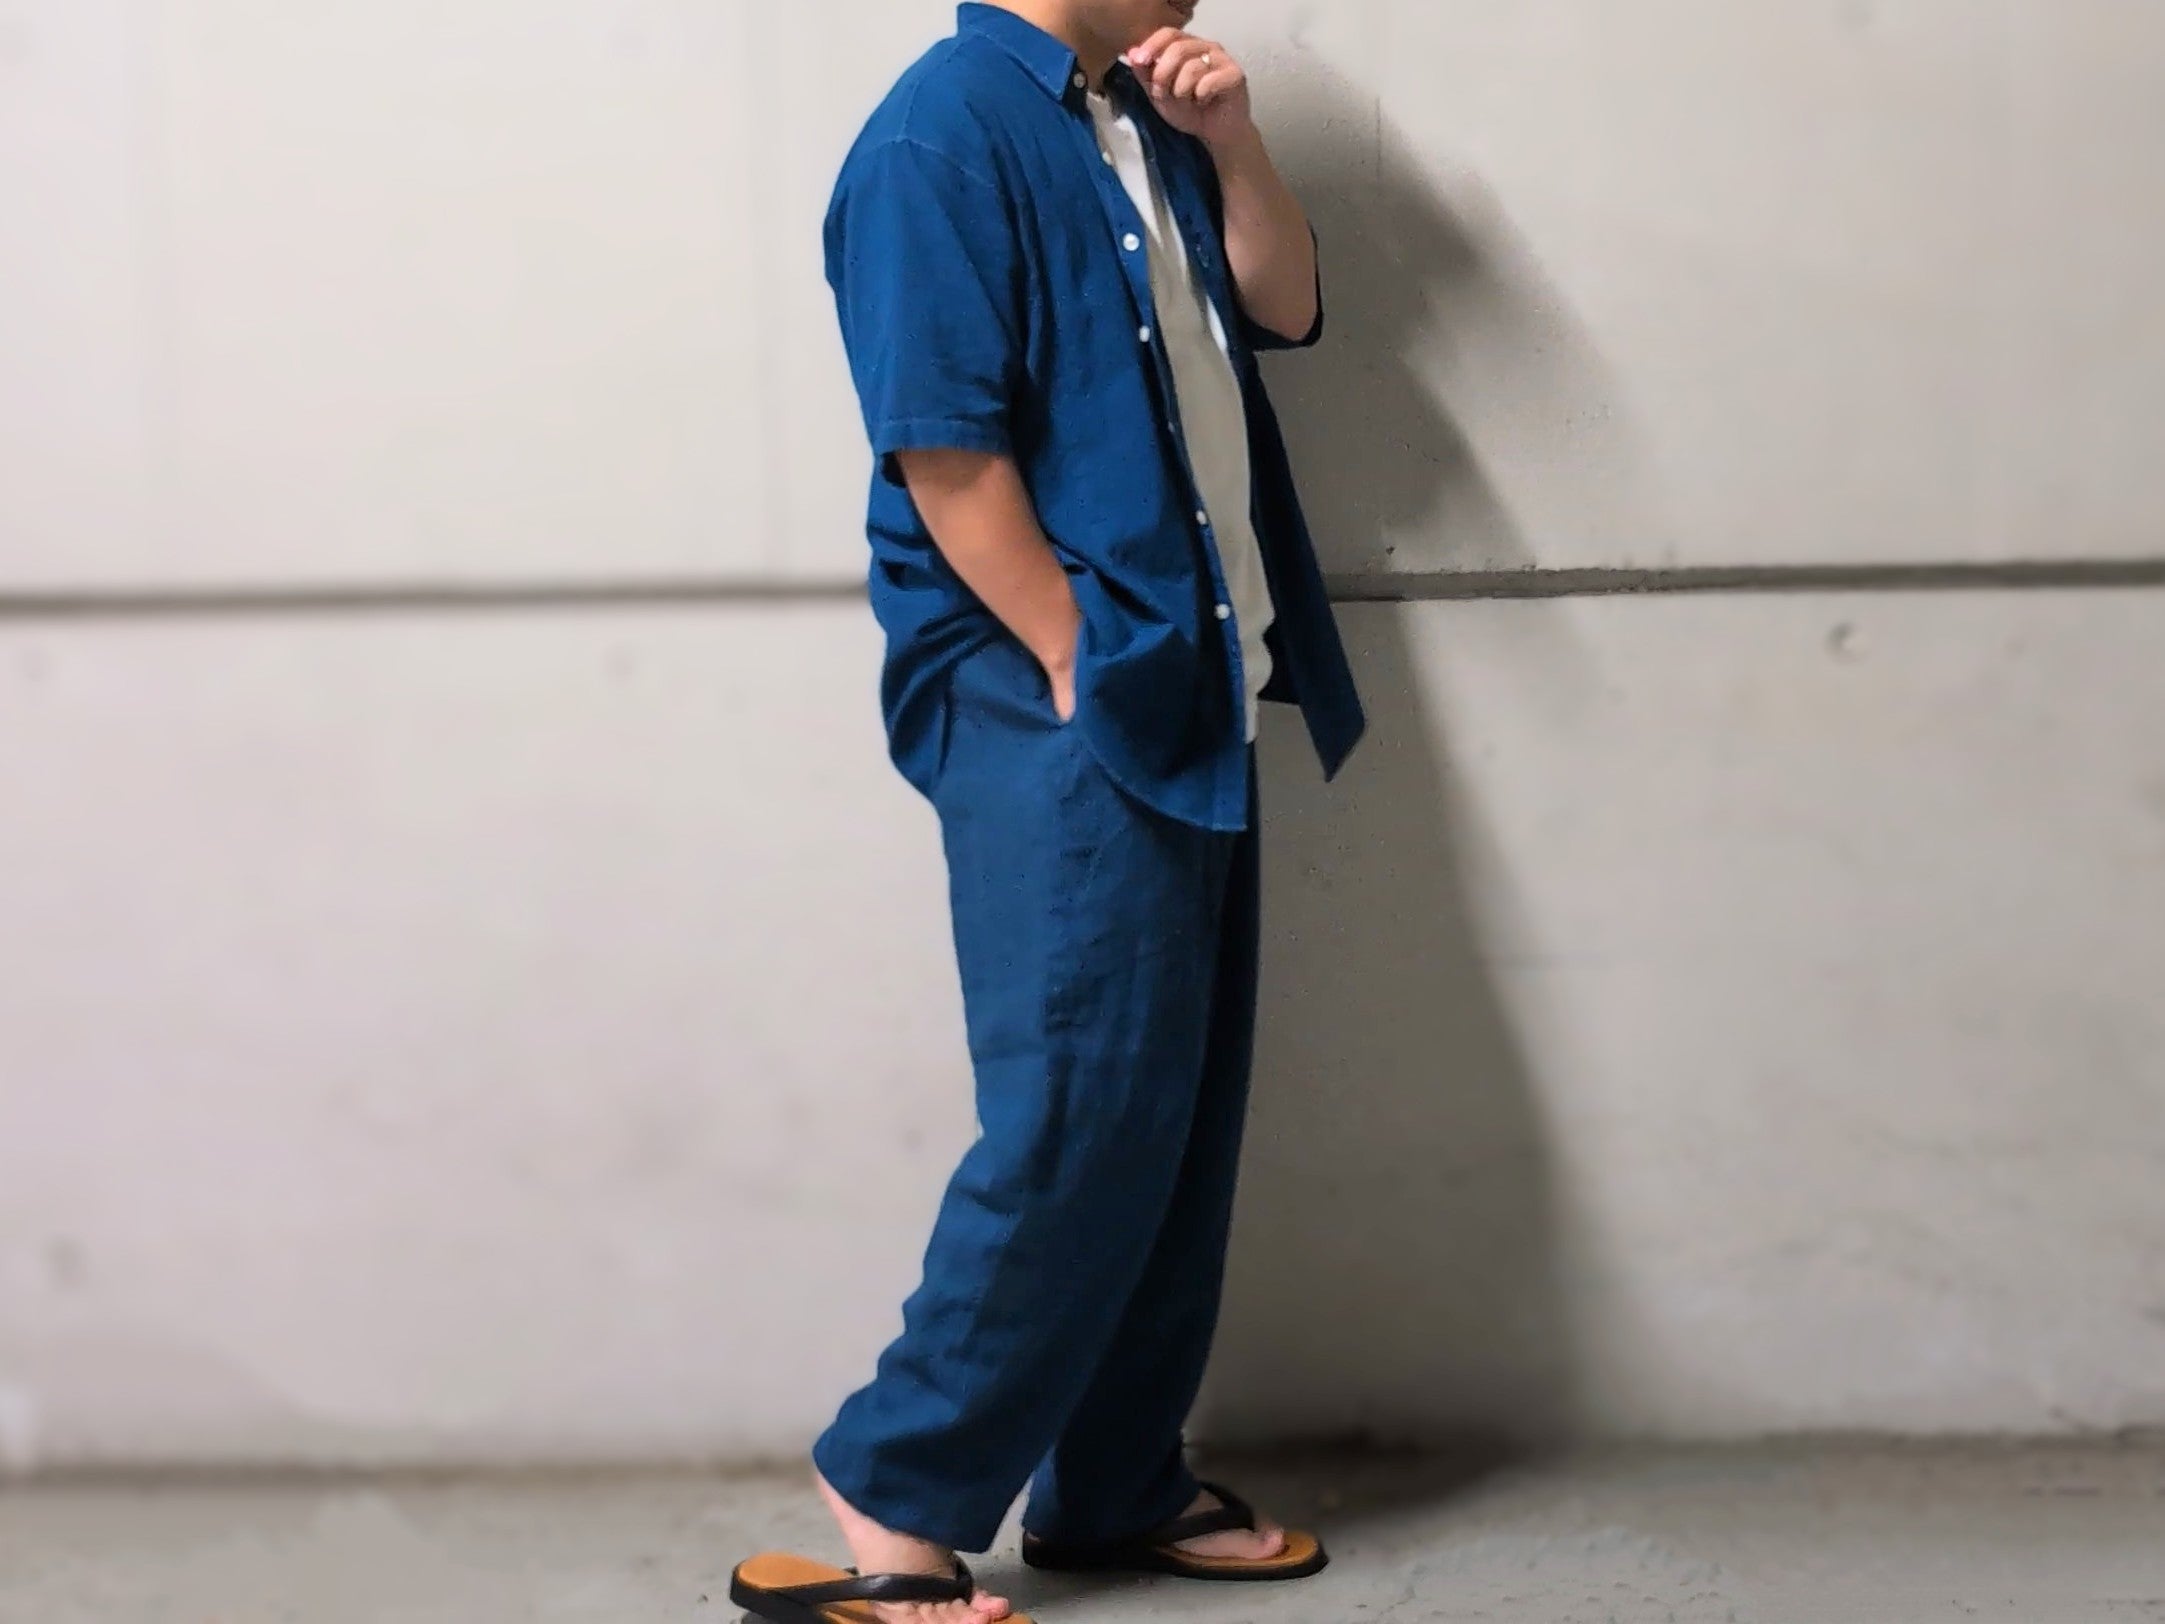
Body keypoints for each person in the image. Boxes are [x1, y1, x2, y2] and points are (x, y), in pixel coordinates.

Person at [731, 3, 1365, 1621]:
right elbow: (943, 453)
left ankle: (1116, 1481)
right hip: (1060, 689)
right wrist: (1079, 657)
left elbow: (1283, 306)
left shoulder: (1134, 117)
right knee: (1080, 1108)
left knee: (1172, 1114)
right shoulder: (934, 136)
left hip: (1181, 670)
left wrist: (1233, 145)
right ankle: (894, 1487)